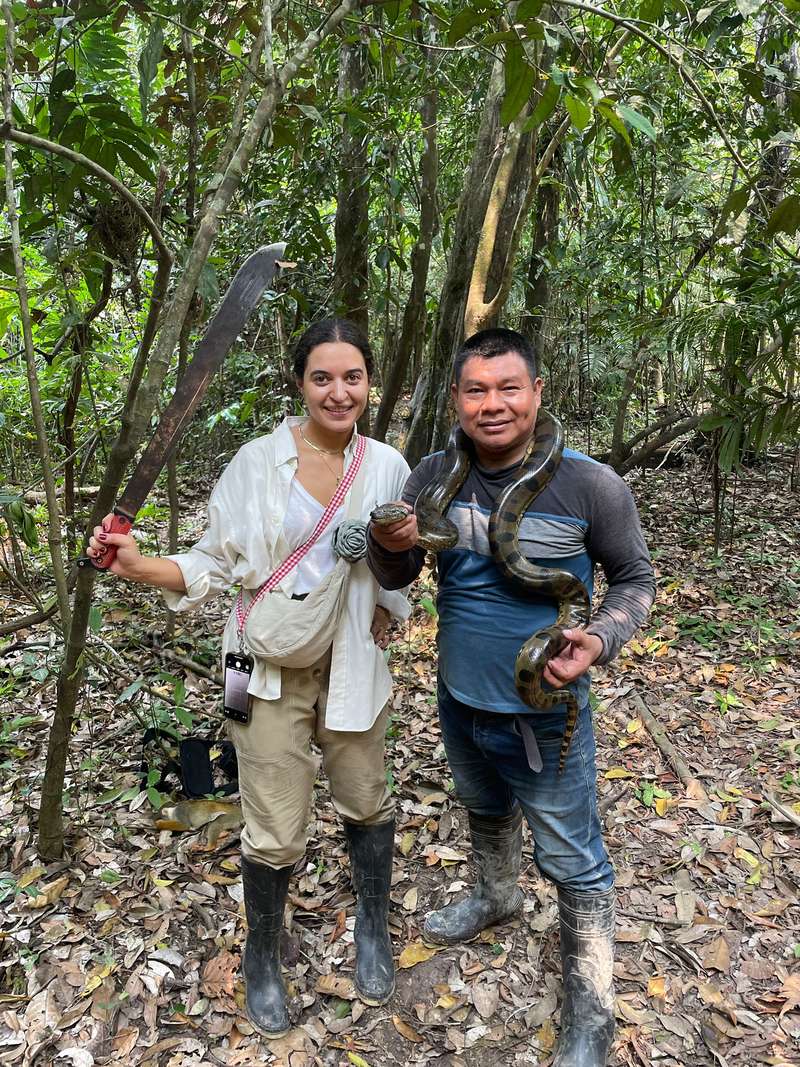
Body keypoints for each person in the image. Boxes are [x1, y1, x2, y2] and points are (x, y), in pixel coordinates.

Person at [87, 318, 411, 1038]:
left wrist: (392, 590)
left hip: (355, 654)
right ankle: (264, 954)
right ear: (299, 381)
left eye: (351, 376)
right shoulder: (254, 464)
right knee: (273, 821)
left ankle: (372, 927)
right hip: (262, 665)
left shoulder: (388, 463)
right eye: (322, 377)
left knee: (365, 796)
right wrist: (138, 565)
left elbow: (405, 558)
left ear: (368, 382)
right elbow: (209, 563)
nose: (338, 391)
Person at [367, 327, 655, 1067]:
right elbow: (396, 578)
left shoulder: (591, 484)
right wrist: (392, 544)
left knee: (574, 860)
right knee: (484, 806)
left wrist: (598, 638)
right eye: (475, 389)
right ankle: (496, 895)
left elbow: (634, 581)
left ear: (536, 393)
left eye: (508, 388)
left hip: (547, 711)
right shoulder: (433, 474)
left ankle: (591, 1013)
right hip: (461, 698)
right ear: (457, 398)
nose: (492, 404)